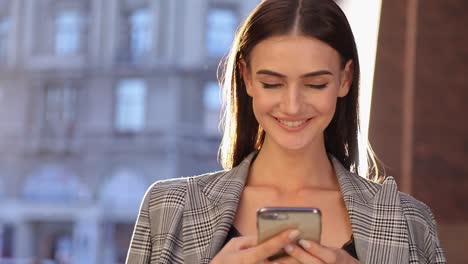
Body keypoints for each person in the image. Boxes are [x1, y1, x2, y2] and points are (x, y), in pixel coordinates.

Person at [126, 0, 446, 263]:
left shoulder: (408, 222)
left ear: (345, 79)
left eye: (315, 84)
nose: (292, 106)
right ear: (247, 78)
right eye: (273, 83)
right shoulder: (170, 208)